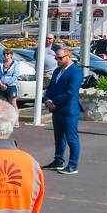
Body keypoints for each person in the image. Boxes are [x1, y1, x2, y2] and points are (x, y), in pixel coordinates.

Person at [43, 46, 82, 174]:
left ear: (68, 57)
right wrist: (47, 99)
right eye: (56, 58)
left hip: (68, 110)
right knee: (59, 137)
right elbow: (51, 88)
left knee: (71, 138)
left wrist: (54, 101)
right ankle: (58, 161)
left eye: (60, 58)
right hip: (56, 110)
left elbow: (70, 92)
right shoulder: (57, 71)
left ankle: (72, 165)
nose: (57, 60)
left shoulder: (75, 71)